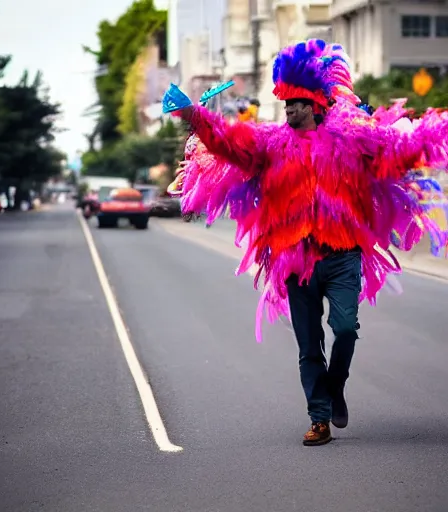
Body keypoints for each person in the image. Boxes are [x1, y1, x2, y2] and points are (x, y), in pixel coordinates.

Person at [162, 39, 448, 446]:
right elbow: (227, 140)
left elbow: (398, 149)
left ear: (315, 104)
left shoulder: (351, 141)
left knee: (346, 329)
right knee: (308, 345)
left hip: (343, 254)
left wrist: (437, 131)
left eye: (296, 102)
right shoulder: (270, 145)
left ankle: (335, 388)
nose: (290, 109)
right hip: (296, 261)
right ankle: (320, 419)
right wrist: (193, 114)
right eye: (286, 103)